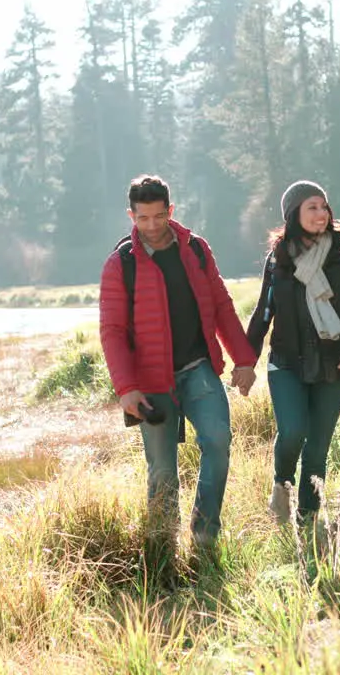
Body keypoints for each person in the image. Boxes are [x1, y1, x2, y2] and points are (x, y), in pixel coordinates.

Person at [99, 174, 258, 552]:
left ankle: (204, 538)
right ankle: (163, 550)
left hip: (198, 369)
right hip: (150, 382)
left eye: (158, 216)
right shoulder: (121, 264)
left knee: (218, 442)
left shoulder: (196, 250)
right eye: (143, 218)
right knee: (163, 473)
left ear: (170, 211)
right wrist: (126, 389)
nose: (152, 226)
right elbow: (113, 331)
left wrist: (244, 359)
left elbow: (221, 305)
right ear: (131, 216)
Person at [245, 180, 340, 530]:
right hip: (286, 362)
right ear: (293, 214)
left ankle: (307, 522)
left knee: (317, 448)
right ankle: (281, 485)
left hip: (335, 364)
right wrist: (245, 361)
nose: (321, 213)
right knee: (293, 432)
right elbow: (263, 313)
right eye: (311, 207)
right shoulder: (279, 258)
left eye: (323, 206)